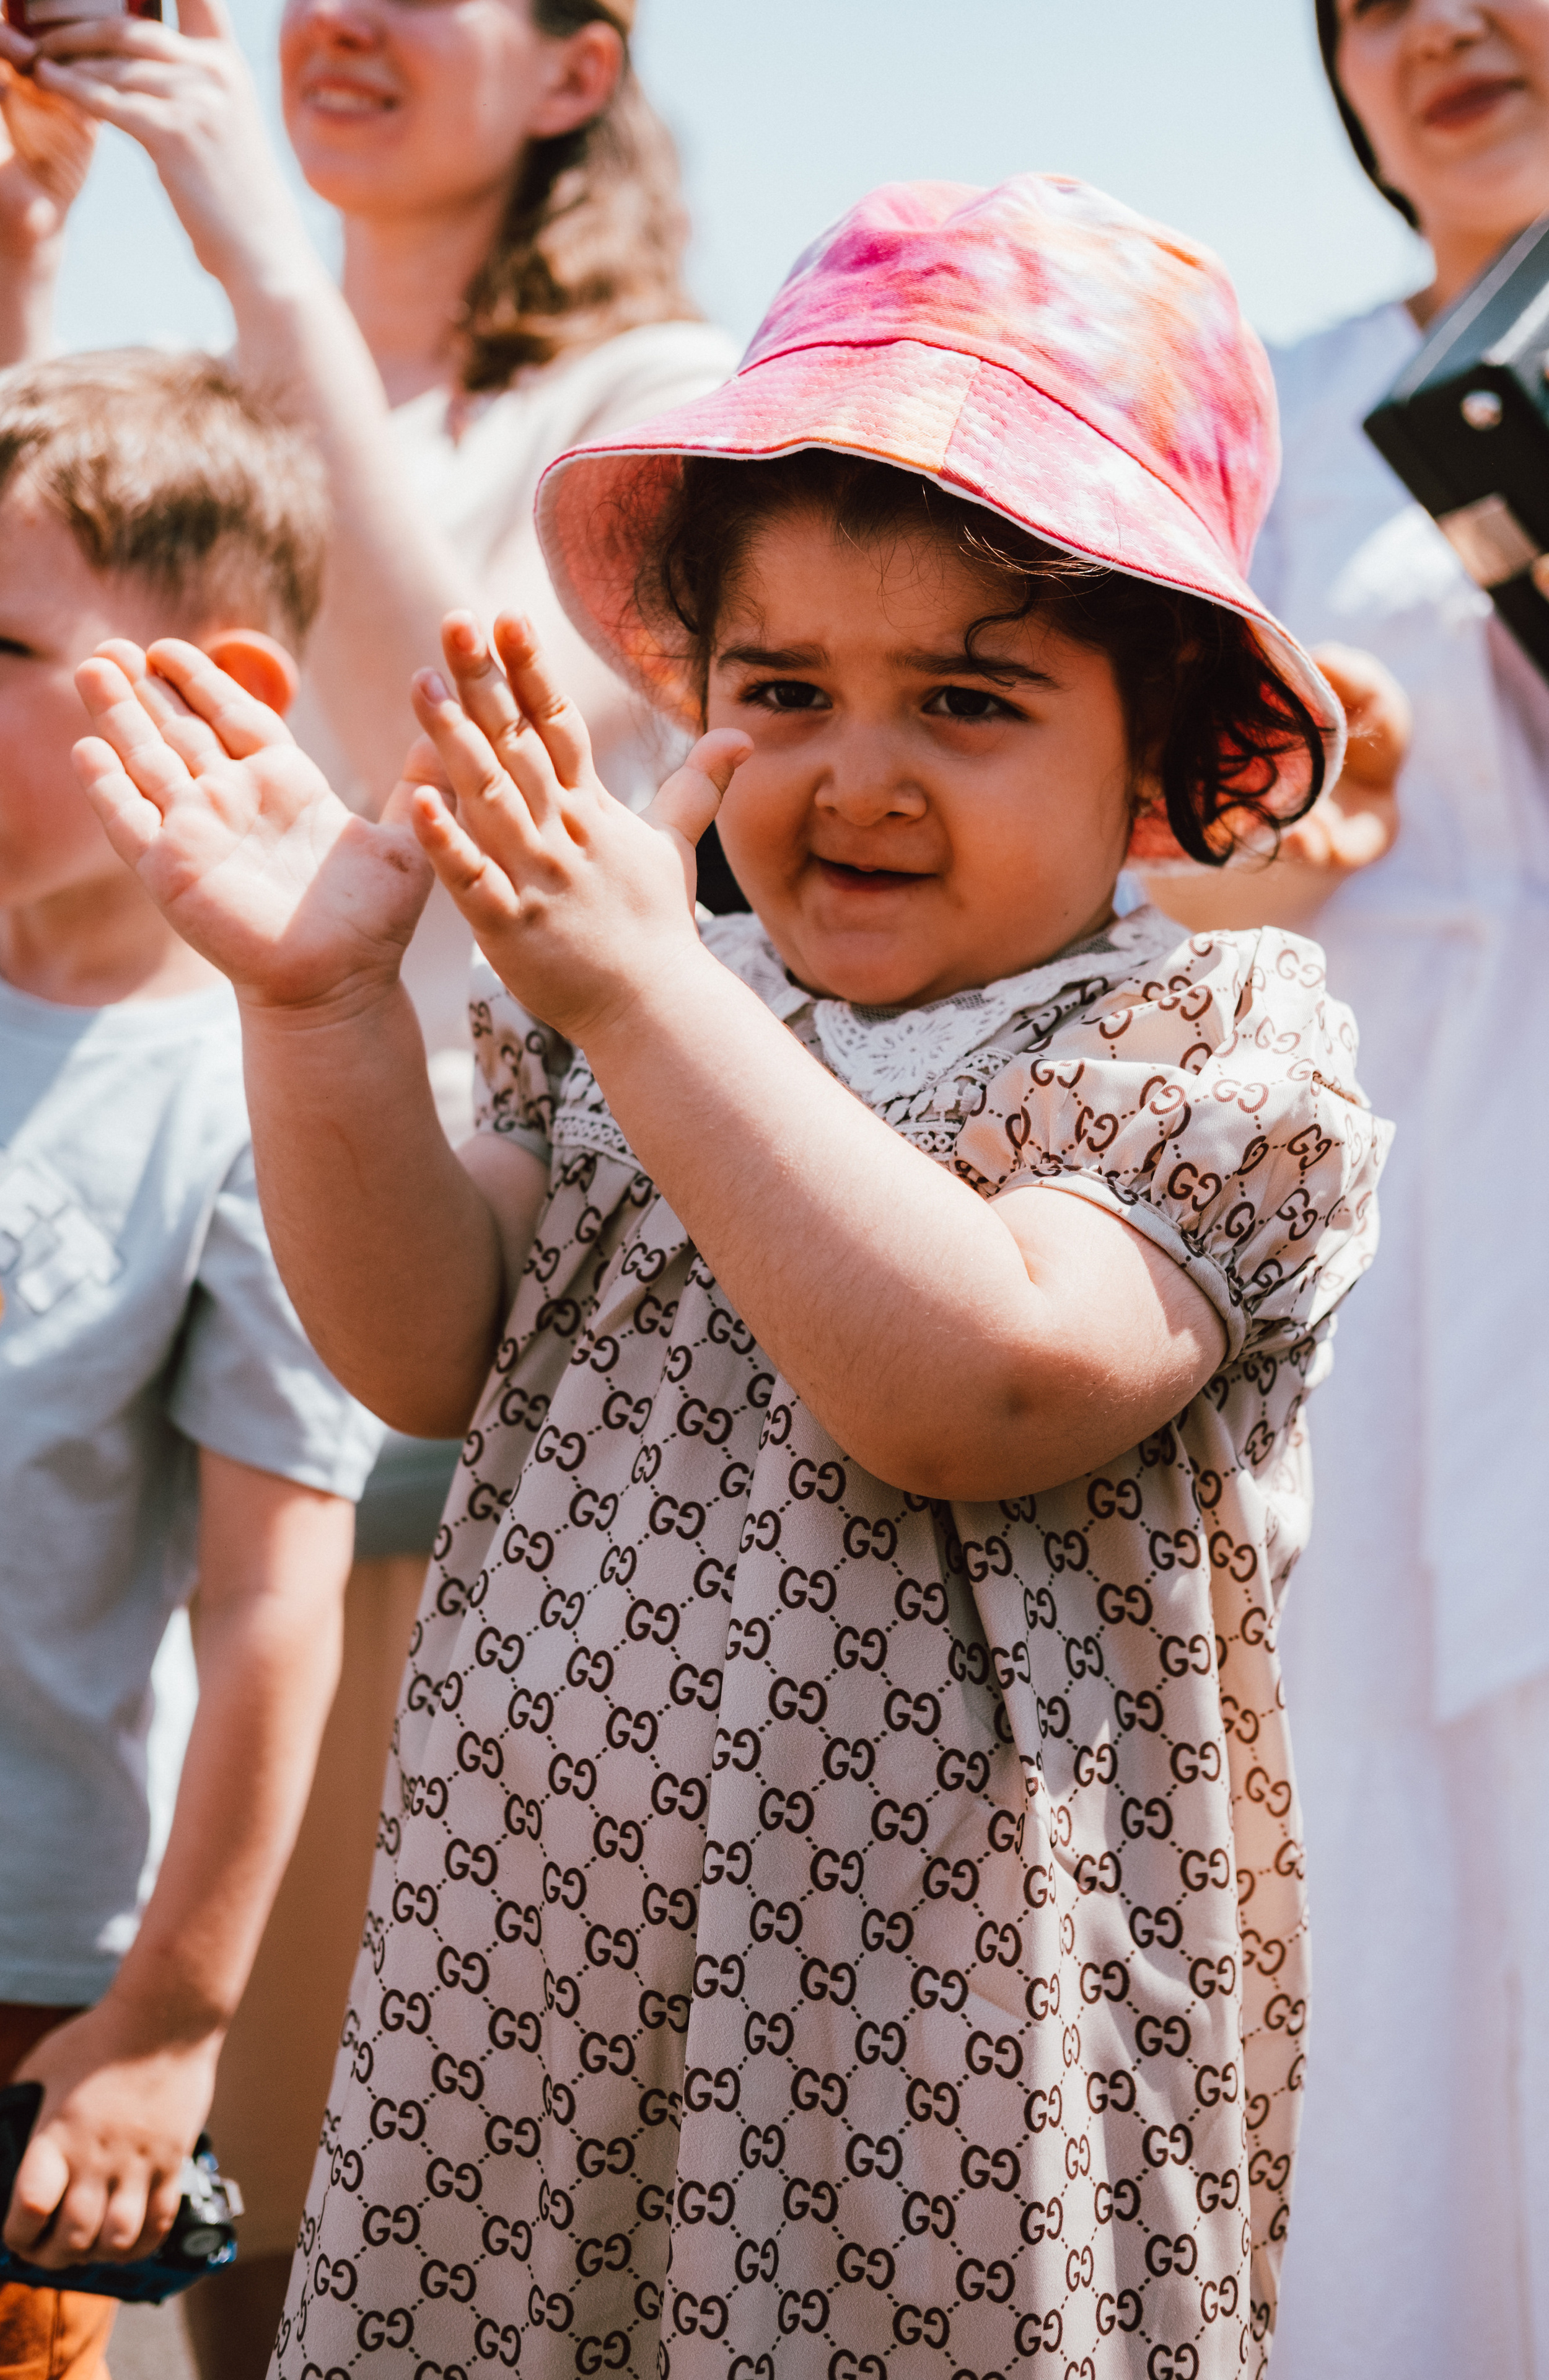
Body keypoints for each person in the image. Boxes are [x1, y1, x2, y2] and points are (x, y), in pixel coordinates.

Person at [74, 177, 1395, 2379]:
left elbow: (977, 1385)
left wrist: (642, 994)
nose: (856, 772)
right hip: (529, 2014)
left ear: (1164, 747)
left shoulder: (1200, 1053)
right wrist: (319, 1013)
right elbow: (426, 1344)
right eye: (783, 688)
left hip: (949, 2060)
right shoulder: (651, 1011)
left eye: (967, 699)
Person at [0, 7, 736, 2351]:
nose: (337, 20)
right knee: (224, 2192)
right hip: (120, 1292)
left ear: (573, 69)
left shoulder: (649, 400)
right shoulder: (198, 394)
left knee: (386, 2183)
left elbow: (490, 769)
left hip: (454, 1330)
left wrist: (242, 235)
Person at [1136, 6, 1549, 2376]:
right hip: (1358, 1182)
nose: (1441, 27)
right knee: (1351, 1796)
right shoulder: (1274, 405)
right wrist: (1295, 805)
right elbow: (1162, 858)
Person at [0, 348, 382, 2380]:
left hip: (28, 1986)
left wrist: (167, 2021)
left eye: (3, 647)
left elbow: (266, 1606)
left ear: (212, 698)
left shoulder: (255, 1107)